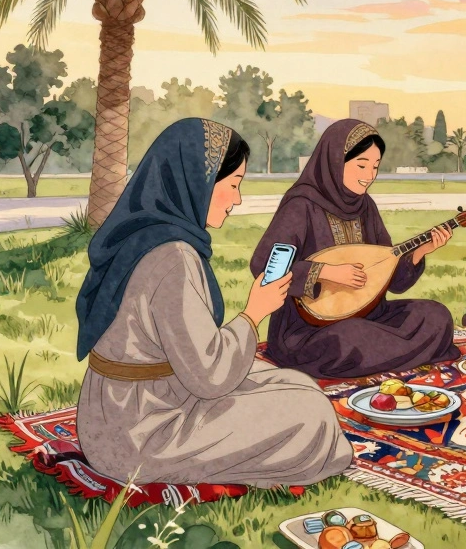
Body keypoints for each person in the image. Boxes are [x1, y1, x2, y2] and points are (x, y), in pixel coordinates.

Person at [75, 119, 351, 487]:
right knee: (310, 412)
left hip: (117, 412)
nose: (237, 200)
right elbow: (210, 377)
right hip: (142, 435)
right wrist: (254, 312)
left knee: (294, 383)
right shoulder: (172, 256)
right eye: (233, 184)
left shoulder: (142, 234)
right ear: (198, 183)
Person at [253, 120, 460, 379]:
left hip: (371, 315)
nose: (370, 175)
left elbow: (392, 279)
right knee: (349, 339)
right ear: (335, 161)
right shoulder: (301, 204)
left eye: (375, 166)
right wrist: (326, 272)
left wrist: (421, 251)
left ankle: (381, 356)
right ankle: (399, 354)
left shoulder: (366, 207)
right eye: (362, 165)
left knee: (436, 316)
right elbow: (264, 266)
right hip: (308, 328)